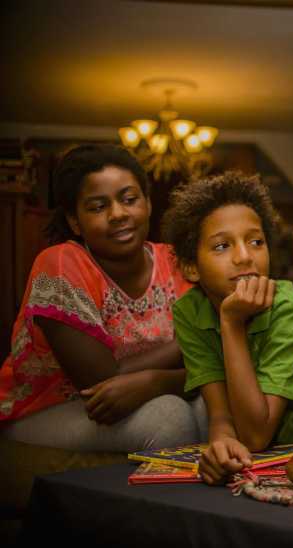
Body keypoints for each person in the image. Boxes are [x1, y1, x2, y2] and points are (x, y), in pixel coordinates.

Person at [0, 144, 204, 451]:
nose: (118, 214)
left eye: (129, 199)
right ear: (74, 221)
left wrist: (157, 382)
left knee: (209, 407)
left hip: (151, 393)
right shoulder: (59, 264)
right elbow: (100, 382)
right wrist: (187, 344)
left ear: (147, 204)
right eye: (98, 207)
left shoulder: (177, 261)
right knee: (170, 418)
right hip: (47, 407)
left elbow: (212, 359)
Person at [162, 172, 293, 485]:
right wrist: (221, 445)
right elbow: (219, 411)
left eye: (256, 242)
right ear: (191, 267)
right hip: (260, 457)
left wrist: (231, 323)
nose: (244, 256)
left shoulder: (289, 308)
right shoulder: (189, 312)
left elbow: (256, 434)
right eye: (222, 246)